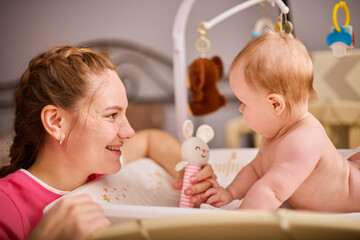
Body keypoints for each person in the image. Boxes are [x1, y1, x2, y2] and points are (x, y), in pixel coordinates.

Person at [0, 46, 216, 240]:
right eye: (112, 115)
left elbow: (151, 139)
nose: (130, 132)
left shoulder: (95, 168)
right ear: (56, 122)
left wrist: (190, 172)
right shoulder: (6, 206)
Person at [204, 31, 360, 212]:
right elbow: (255, 170)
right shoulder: (274, 136)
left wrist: (242, 220)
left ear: (275, 104)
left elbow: (271, 191)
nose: (240, 109)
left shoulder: (302, 141)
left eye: (243, 103)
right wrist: (230, 193)